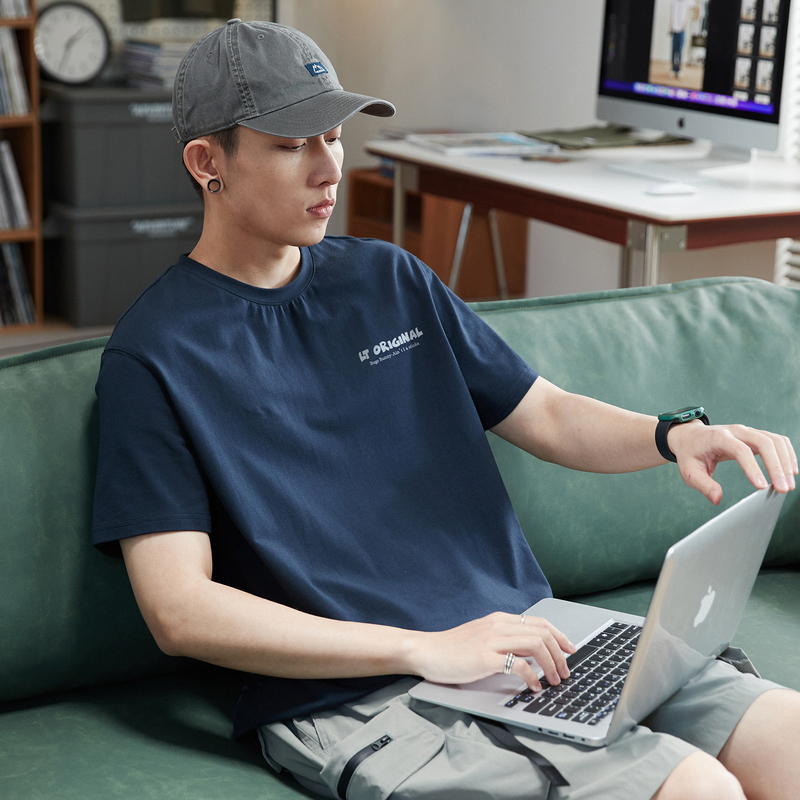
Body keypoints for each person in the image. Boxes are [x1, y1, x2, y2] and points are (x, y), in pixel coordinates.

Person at [92, 19, 800, 800]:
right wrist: (422, 648)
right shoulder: (154, 355)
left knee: (789, 737)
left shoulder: (389, 279)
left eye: (334, 136)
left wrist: (674, 436)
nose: (330, 166)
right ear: (207, 163)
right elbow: (179, 610)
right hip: (363, 693)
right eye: (292, 145)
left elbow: (547, 414)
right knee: (698, 789)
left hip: (528, 640)